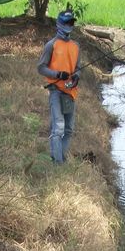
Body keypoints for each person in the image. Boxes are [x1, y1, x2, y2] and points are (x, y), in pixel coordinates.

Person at [37, 9, 81, 163]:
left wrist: (76, 76)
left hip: (71, 92)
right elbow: (41, 67)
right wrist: (57, 74)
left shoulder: (75, 46)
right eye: (67, 23)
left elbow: (78, 67)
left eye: (72, 23)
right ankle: (58, 164)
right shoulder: (51, 45)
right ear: (59, 24)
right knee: (58, 129)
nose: (70, 25)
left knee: (68, 130)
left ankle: (59, 158)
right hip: (56, 91)